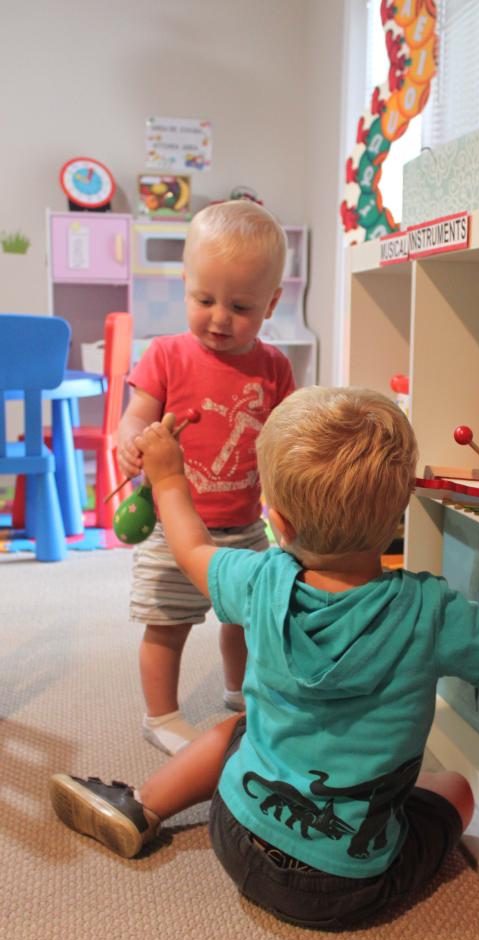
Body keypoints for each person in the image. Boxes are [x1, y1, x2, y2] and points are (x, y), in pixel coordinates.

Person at [50, 386, 479, 932]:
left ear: (281, 523)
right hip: (350, 887)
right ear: (399, 512)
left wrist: (170, 478)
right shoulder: (430, 612)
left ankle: (142, 804)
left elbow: (191, 548)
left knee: (239, 729)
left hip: (236, 833)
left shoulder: (260, 579)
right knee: (455, 789)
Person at [117, 200, 296, 755]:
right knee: (167, 623)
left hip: (243, 527)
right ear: (185, 286)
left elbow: (285, 437)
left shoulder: (274, 368)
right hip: (171, 527)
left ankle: (240, 693)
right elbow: (136, 416)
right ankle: (161, 716)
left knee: (246, 620)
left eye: (240, 307)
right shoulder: (166, 355)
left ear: (271, 303)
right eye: (204, 300)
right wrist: (132, 442)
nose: (219, 318)